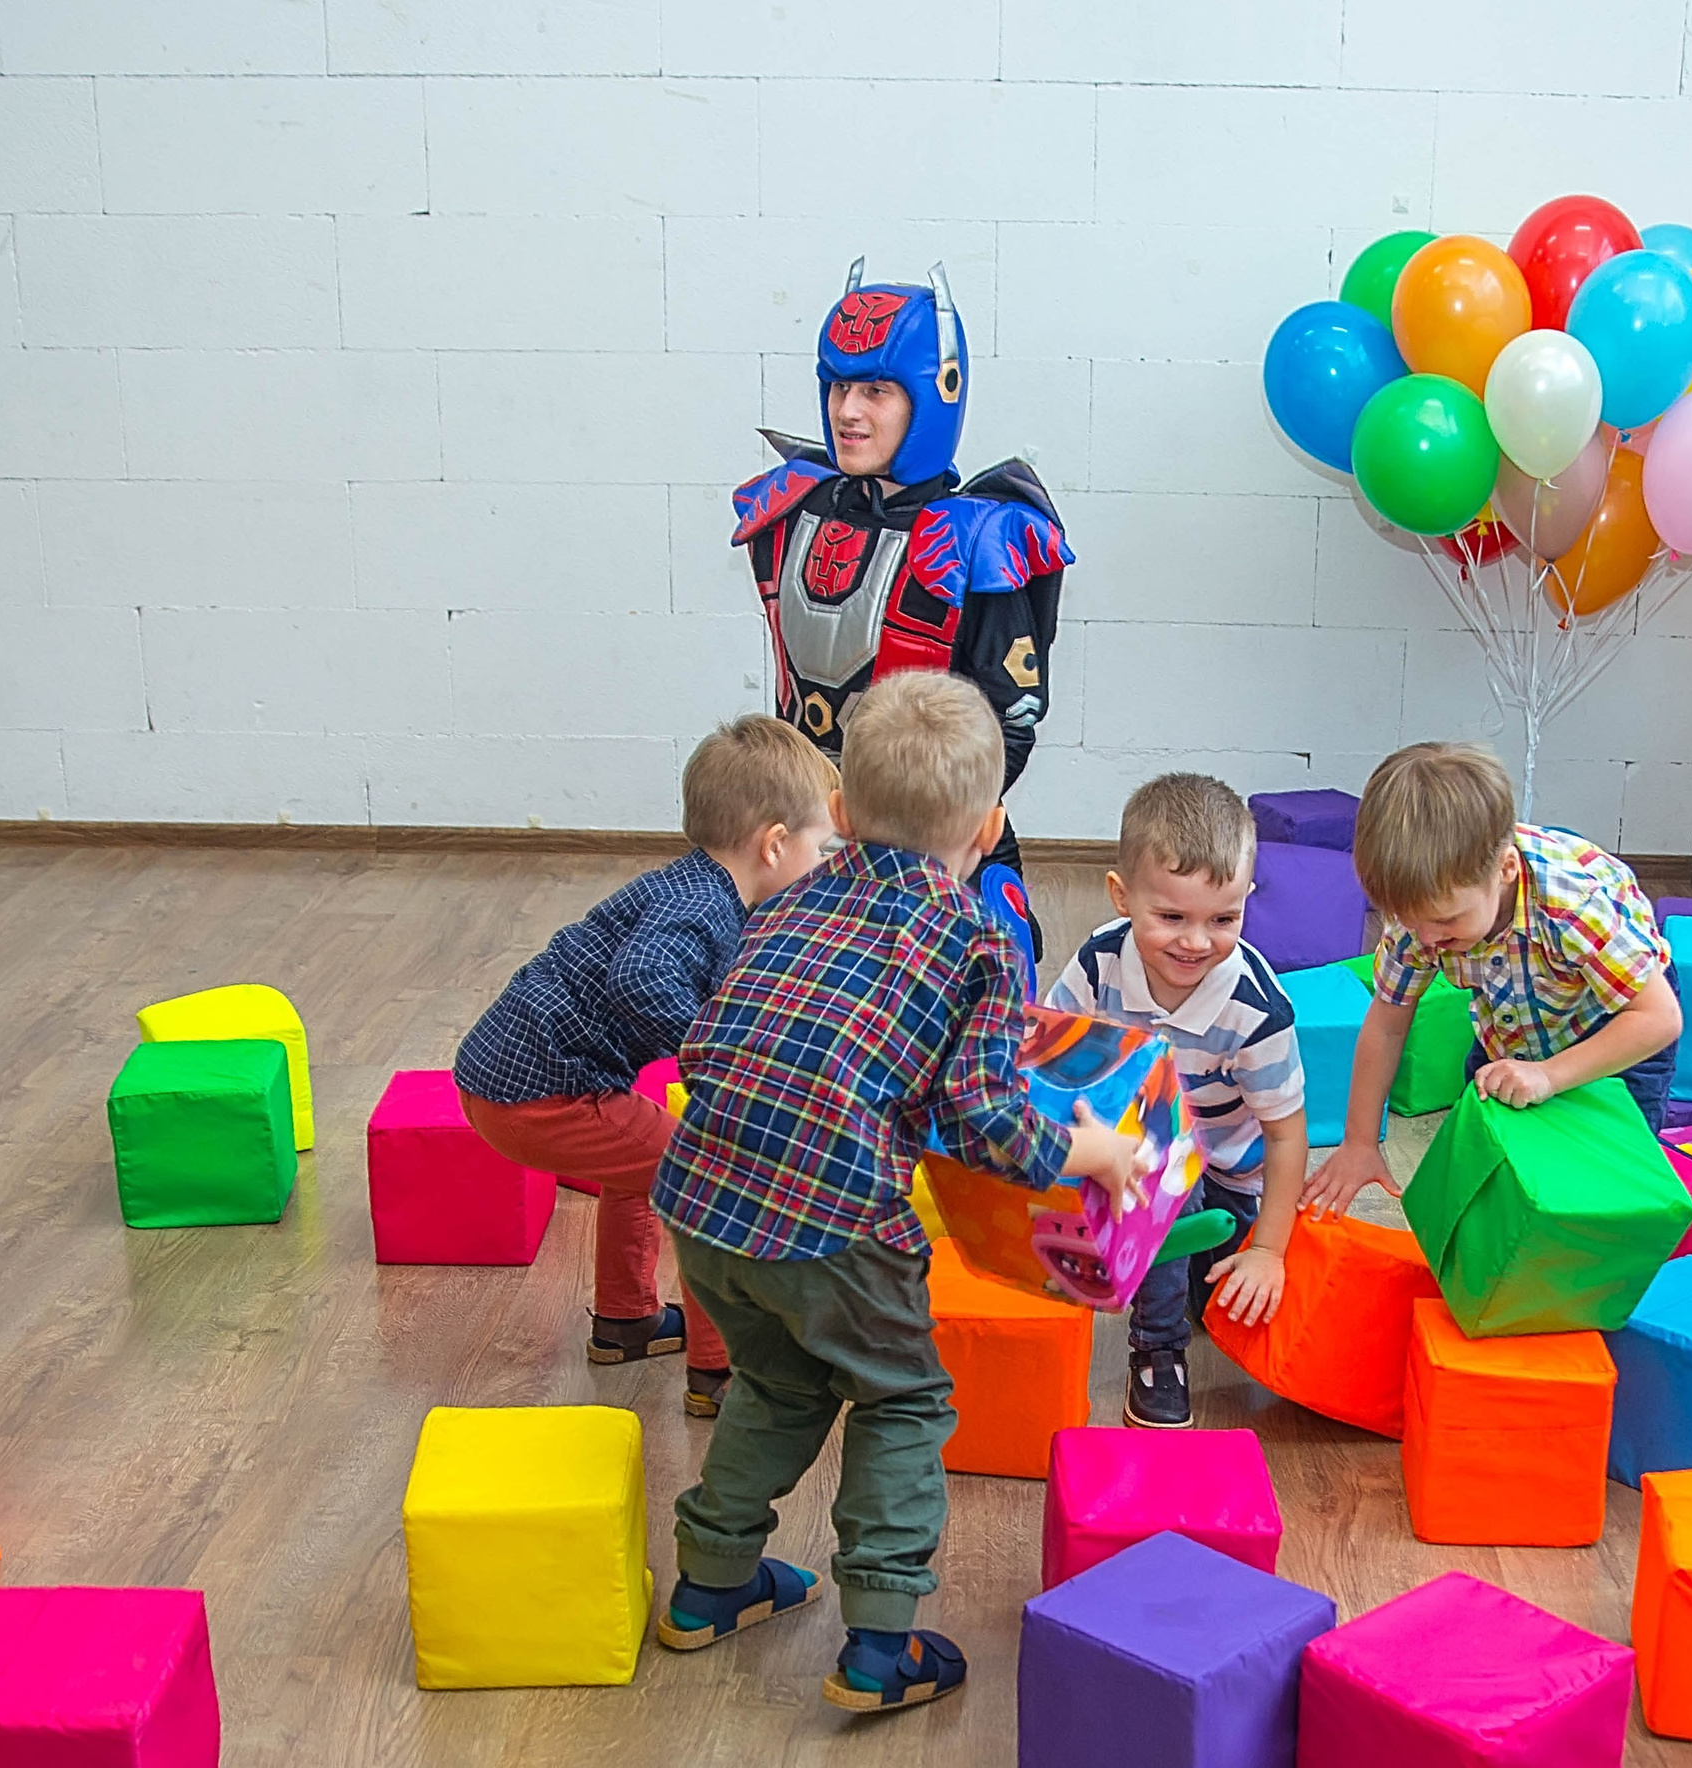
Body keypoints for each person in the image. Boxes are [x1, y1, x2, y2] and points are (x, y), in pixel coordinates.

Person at [650, 672, 1141, 1714]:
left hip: (698, 1201)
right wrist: (1090, 1158)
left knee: (777, 1383)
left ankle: (709, 1584)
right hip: (831, 1229)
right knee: (903, 1398)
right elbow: (983, 1122)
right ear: (991, 825)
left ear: (836, 811)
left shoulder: (785, 900)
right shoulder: (978, 940)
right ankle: (879, 1644)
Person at [455, 717, 838, 1416]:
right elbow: (642, 981)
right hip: (545, 1093)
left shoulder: (698, 889)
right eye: (821, 846)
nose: (823, 862)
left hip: (508, 1082)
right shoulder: (700, 907)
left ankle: (626, 1320)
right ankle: (725, 1373)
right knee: (712, 1178)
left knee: (646, 1163)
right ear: (775, 843)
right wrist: (716, 1061)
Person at [731, 257, 1067, 959]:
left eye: (878, 390)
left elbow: (1012, 726)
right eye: (841, 386)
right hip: (807, 826)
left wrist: (921, 827)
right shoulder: (796, 507)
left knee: (1001, 956)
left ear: (934, 395)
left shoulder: (977, 537)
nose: (849, 411)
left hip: (938, 843)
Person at [1304, 741, 1684, 1216]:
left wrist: (1549, 1075)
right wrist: (1359, 1140)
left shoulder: (1571, 905)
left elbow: (1659, 1018)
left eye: (1444, 921)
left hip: (1615, 1024)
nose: (1425, 936)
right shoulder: (1423, 915)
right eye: (1407, 918)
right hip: (1512, 1024)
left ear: (1505, 869)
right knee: (1488, 1167)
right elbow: (1386, 1022)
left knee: (1603, 1185)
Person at [1045, 773, 1308, 1430]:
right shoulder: (1099, 963)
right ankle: (1158, 1348)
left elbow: (1286, 1135)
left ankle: (1178, 1302)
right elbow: (1046, 1057)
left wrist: (1270, 1248)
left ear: (1249, 900)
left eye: (1223, 919)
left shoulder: (1255, 1010)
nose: (1197, 942)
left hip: (1228, 1184)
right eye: (1172, 918)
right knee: (1158, 1179)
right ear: (1121, 896)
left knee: (1236, 1300)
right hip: (1132, 1158)